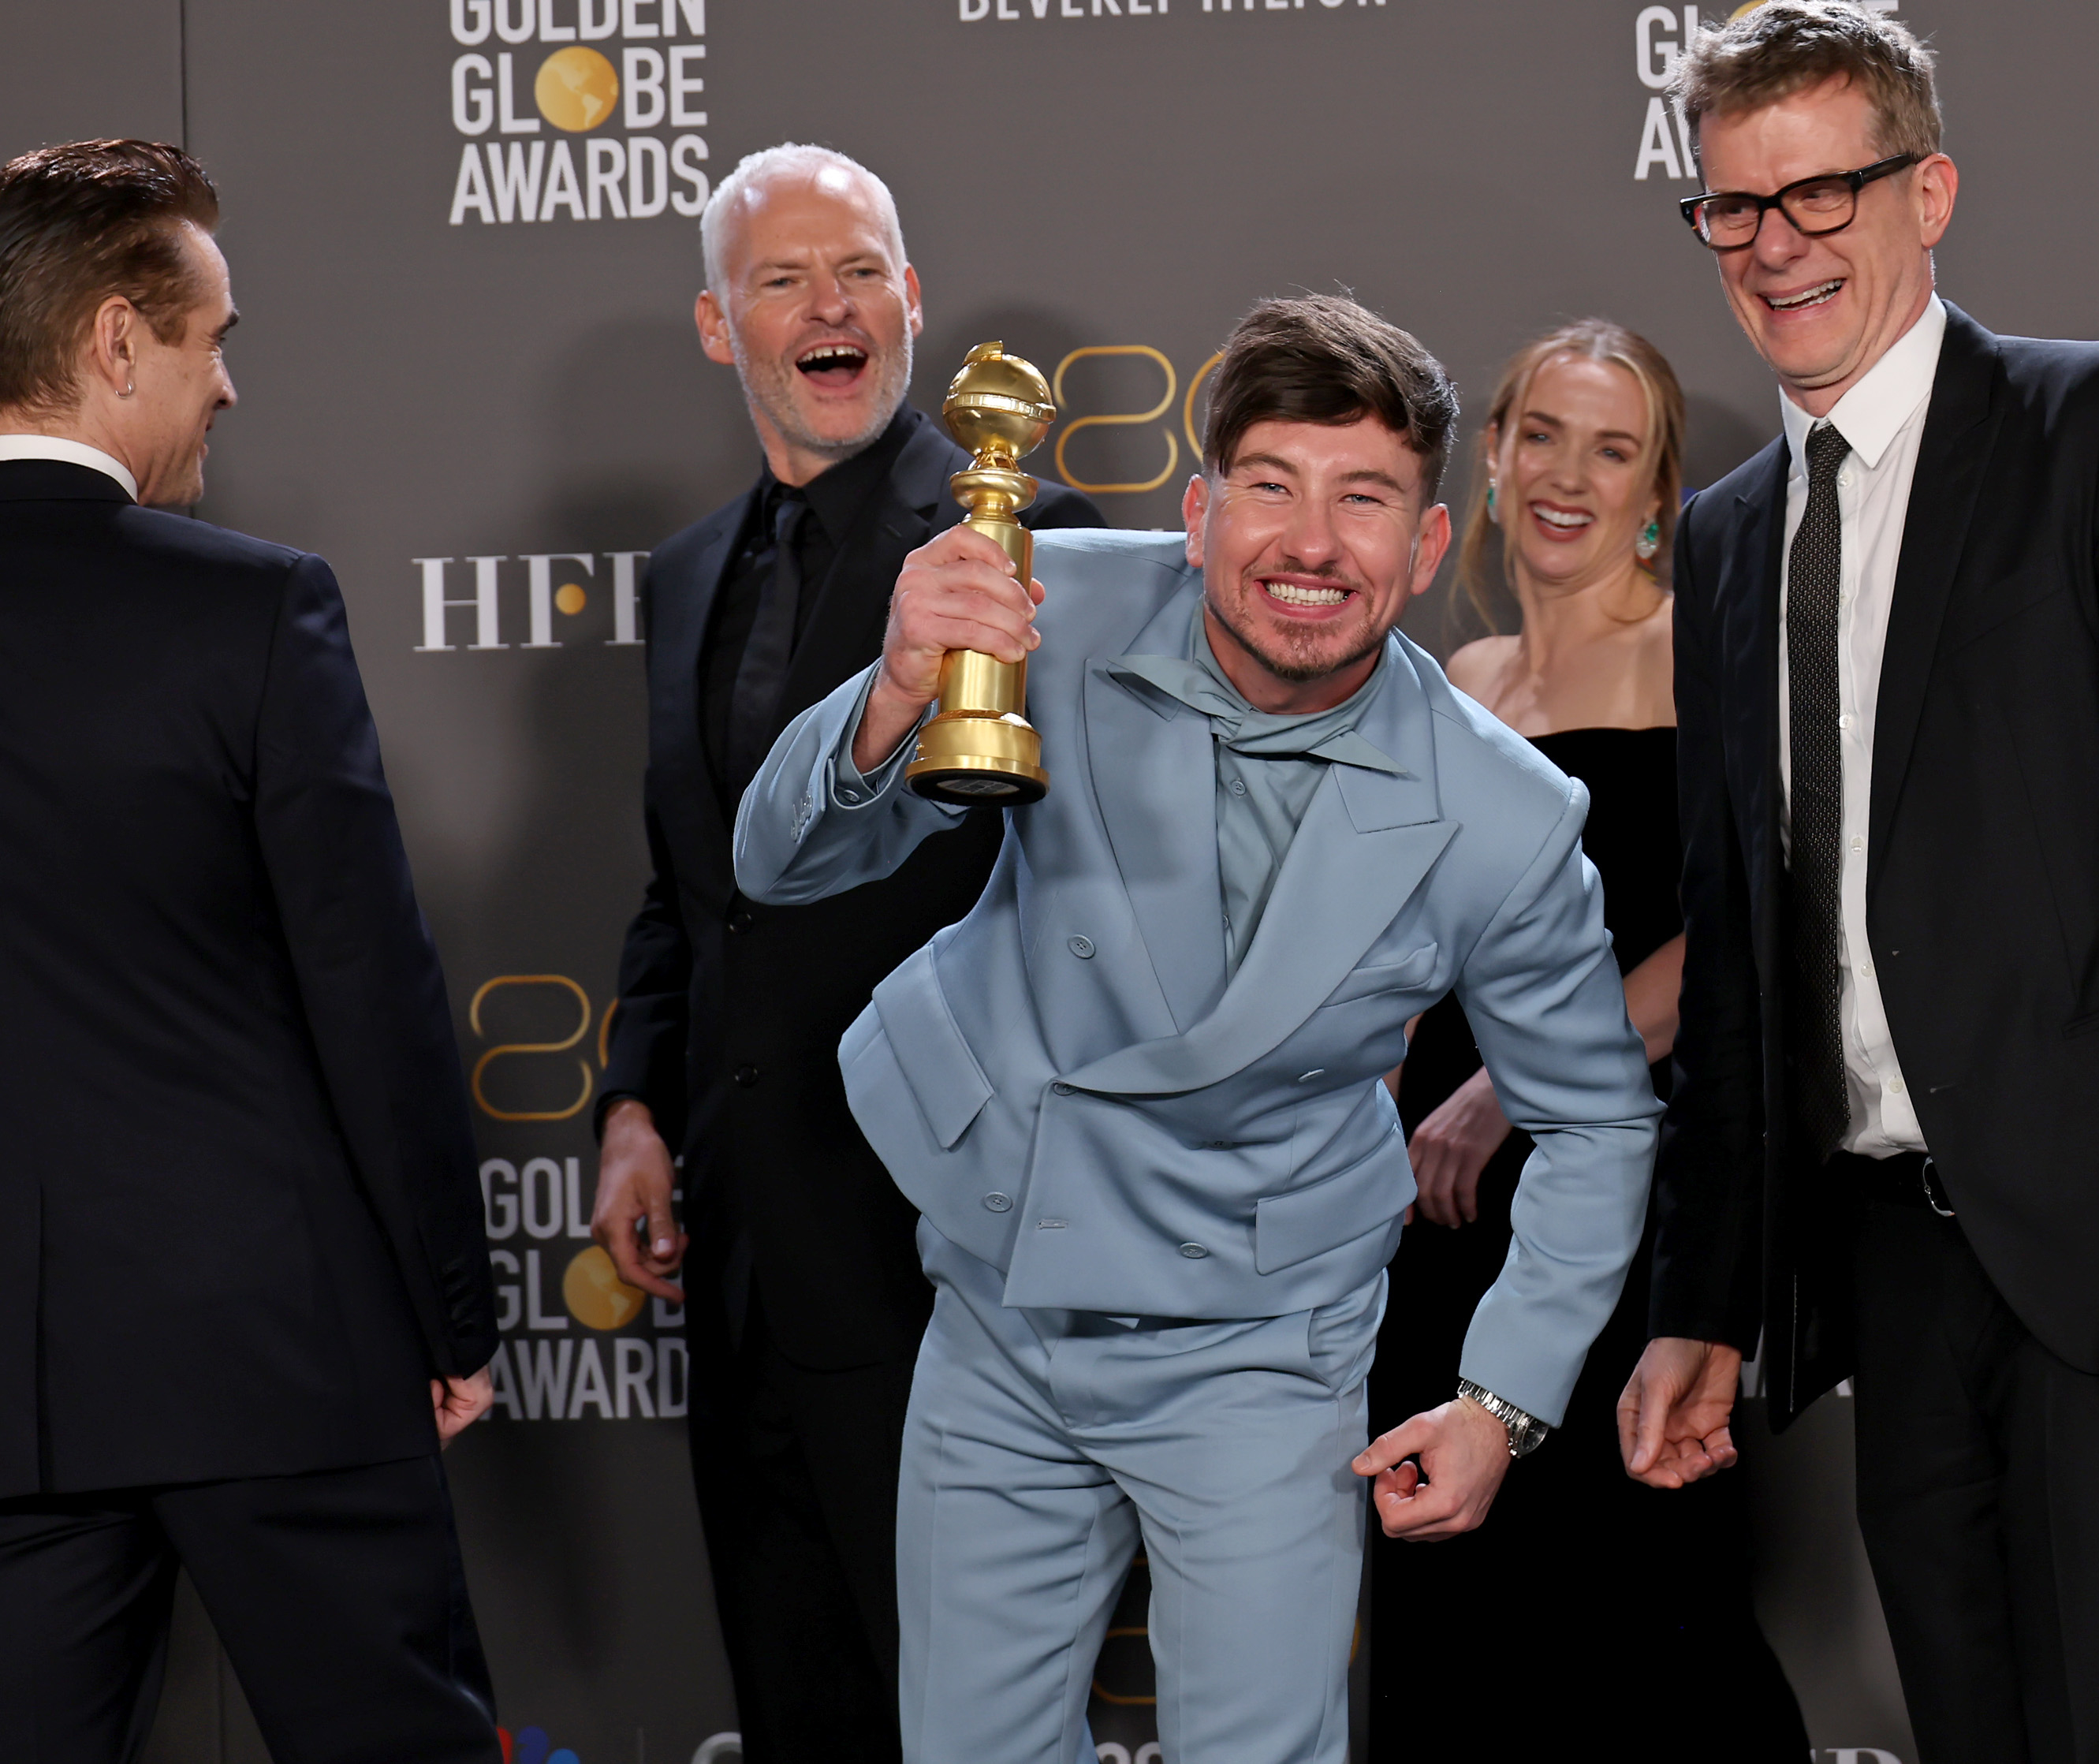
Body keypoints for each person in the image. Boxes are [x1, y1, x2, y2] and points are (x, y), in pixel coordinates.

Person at [732, 293, 1659, 1762]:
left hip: (1258, 1346)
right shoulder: (1048, 600)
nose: (1310, 544)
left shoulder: (1503, 813)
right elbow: (779, 866)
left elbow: (1599, 1121)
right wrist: (896, 686)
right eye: (1271, 487)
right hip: (998, 1299)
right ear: (1196, 509)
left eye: (1364, 500)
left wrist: (1502, 1398)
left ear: (1425, 547)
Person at [1614, 9, 2099, 1761]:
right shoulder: (1728, 533)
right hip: (1886, 1258)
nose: (1776, 244)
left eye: (1822, 192)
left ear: (1929, 190)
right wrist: (1705, 1307)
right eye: (1734, 207)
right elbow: (1745, 958)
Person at [587, 142, 1100, 1764]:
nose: (830, 305)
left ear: (912, 299)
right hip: (735, 1247)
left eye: (860, 268)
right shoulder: (681, 580)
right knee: (791, 1690)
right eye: (784, 278)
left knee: (967, 1717)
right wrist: (631, 1106)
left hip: (940, 1249)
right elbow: (688, 887)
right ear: (714, 325)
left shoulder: (1029, 540)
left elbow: (1098, 892)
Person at [0, 140, 500, 1762]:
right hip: (277, 1349)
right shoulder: (254, 610)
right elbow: (371, 990)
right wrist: (450, 1313)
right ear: (116, 344)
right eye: (214, 341)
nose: (229, 390)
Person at [1367, 319, 1809, 1755]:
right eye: (1540, 435)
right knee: (1457, 1607)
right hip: (1437, 1214)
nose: (1569, 475)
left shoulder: (1703, 659)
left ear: (1659, 492)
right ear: (1489, 460)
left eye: (1612, 448)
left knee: (1641, 1608)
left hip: (1630, 1195)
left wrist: (1515, 1085)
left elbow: (1749, 925)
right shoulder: (1447, 683)